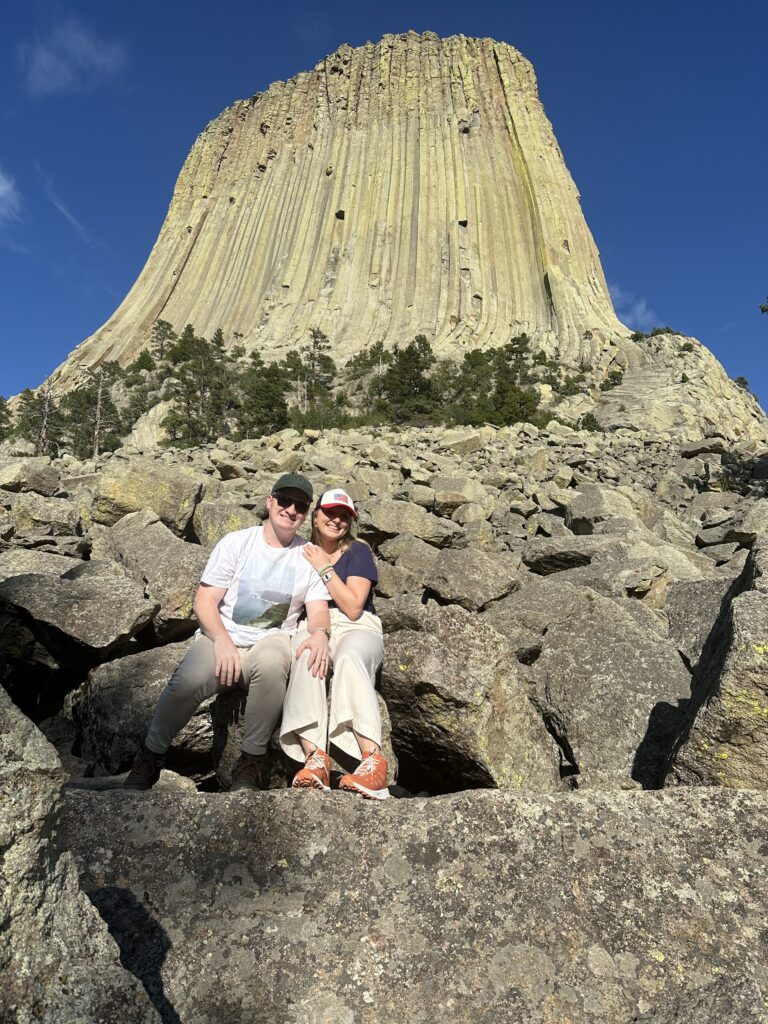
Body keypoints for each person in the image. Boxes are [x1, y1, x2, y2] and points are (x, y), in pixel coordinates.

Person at [124, 473, 330, 792]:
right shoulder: (237, 542)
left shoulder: (308, 556)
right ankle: (150, 755)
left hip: (269, 643)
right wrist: (222, 641)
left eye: (300, 506)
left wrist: (319, 634)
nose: (291, 510)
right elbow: (205, 601)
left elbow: (318, 611)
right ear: (270, 502)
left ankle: (249, 762)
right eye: (285, 501)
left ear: (306, 515)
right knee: (187, 681)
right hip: (223, 638)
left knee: (275, 661)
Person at [279, 488, 388, 800]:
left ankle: (373, 761)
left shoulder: (358, 551)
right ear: (315, 516)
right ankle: (316, 759)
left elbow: (354, 606)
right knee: (307, 657)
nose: (336, 520)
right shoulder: (299, 551)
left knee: (350, 659)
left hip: (357, 625)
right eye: (329, 512)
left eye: (344, 516)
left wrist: (323, 567)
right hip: (314, 623)